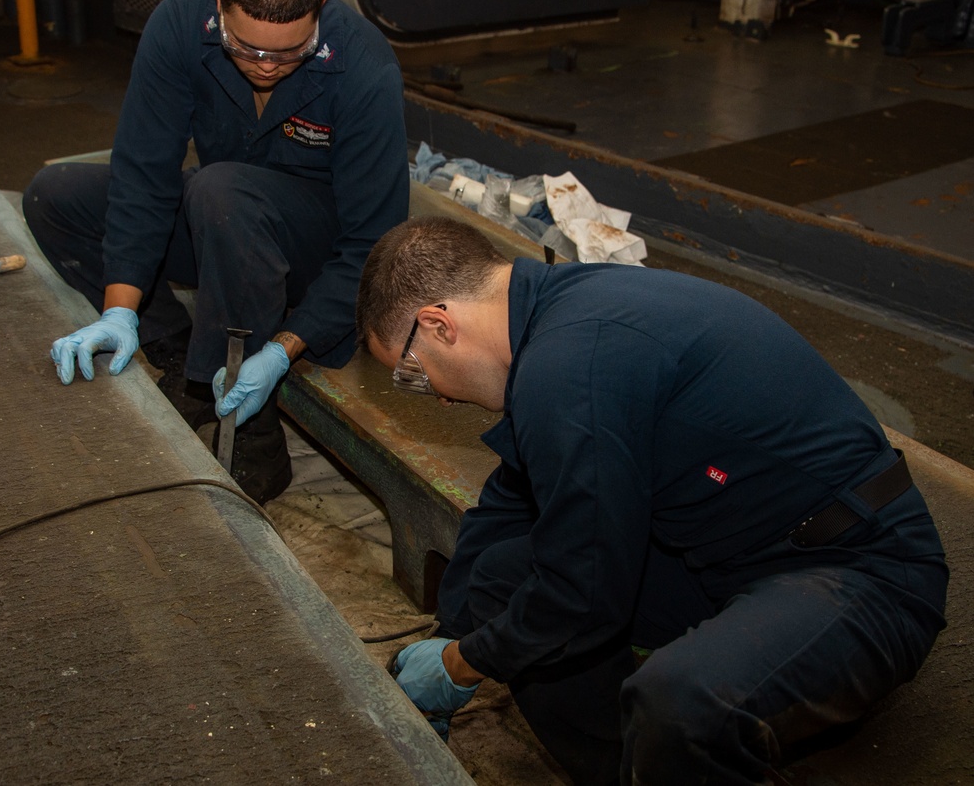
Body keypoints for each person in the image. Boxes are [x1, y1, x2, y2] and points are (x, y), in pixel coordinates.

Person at [356, 216, 949, 785]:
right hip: (734, 558)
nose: (431, 396)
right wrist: (450, 631)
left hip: (863, 572)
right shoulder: (557, 315)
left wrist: (461, 666)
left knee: (681, 705)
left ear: (439, 324)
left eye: (412, 374)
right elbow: (509, 501)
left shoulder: (568, 368)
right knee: (505, 581)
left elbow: (583, 594)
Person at [23, 0, 410, 504]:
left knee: (221, 191)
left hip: (314, 251)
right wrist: (119, 309)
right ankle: (180, 354)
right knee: (55, 196)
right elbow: (143, 176)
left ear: (322, 6)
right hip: (223, 222)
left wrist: (285, 348)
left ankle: (253, 433)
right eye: (245, 47)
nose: (265, 66)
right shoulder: (179, 26)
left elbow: (374, 247)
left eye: (289, 53)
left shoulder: (364, 65)